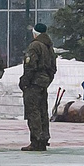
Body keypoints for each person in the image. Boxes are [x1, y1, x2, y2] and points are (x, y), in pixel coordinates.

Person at [20, 21, 56, 151]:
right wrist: (46, 80)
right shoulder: (49, 47)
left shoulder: (34, 46)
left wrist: (25, 81)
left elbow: (30, 66)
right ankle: (44, 137)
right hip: (43, 83)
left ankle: (36, 140)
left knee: (33, 111)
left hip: (34, 83)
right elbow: (53, 68)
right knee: (42, 111)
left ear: (35, 34)